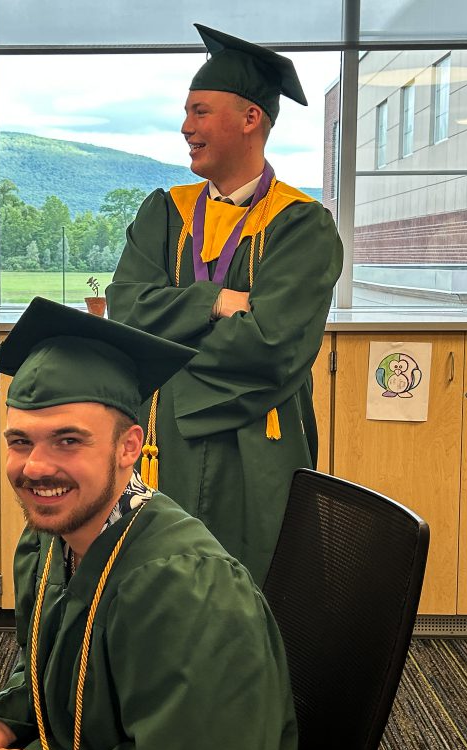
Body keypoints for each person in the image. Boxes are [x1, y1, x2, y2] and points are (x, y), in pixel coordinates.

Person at [0, 297, 298, 750]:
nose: (35, 466)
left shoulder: (187, 589)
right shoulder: (49, 543)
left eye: (68, 441)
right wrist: (5, 718)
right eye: (20, 441)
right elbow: (51, 670)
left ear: (128, 447)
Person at [106, 24, 344, 585]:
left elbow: (271, 348)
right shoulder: (164, 214)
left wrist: (165, 351)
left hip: (255, 453)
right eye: (187, 113)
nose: (186, 127)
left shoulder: (301, 226)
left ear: (250, 118)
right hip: (162, 447)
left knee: (251, 589)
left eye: (201, 111)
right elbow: (126, 307)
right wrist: (214, 302)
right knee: (153, 585)